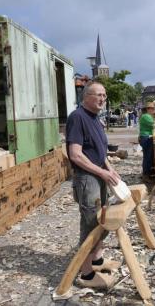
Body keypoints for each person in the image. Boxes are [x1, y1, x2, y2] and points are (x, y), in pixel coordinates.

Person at [66, 82, 122, 289]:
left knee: (102, 221)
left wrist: (109, 168)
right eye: (98, 95)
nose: (102, 99)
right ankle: (86, 275)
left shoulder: (95, 119)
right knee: (90, 224)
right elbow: (75, 155)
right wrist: (102, 172)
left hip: (99, 176)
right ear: (86, 96)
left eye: (104, 96)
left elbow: (99, 151)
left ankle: (97, 260)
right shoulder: (77, 117)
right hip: (87, 178)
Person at [139, 102, 155, 180]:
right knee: (147, 156)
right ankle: (146, 174)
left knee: (150, 156)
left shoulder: (148, 116)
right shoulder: (146, 116)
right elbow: (154, 125)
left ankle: (149, 172)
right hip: (146, 137)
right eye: (152, 108)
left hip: (146, 137)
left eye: (153, 108)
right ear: (148, 109)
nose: (153, 110)